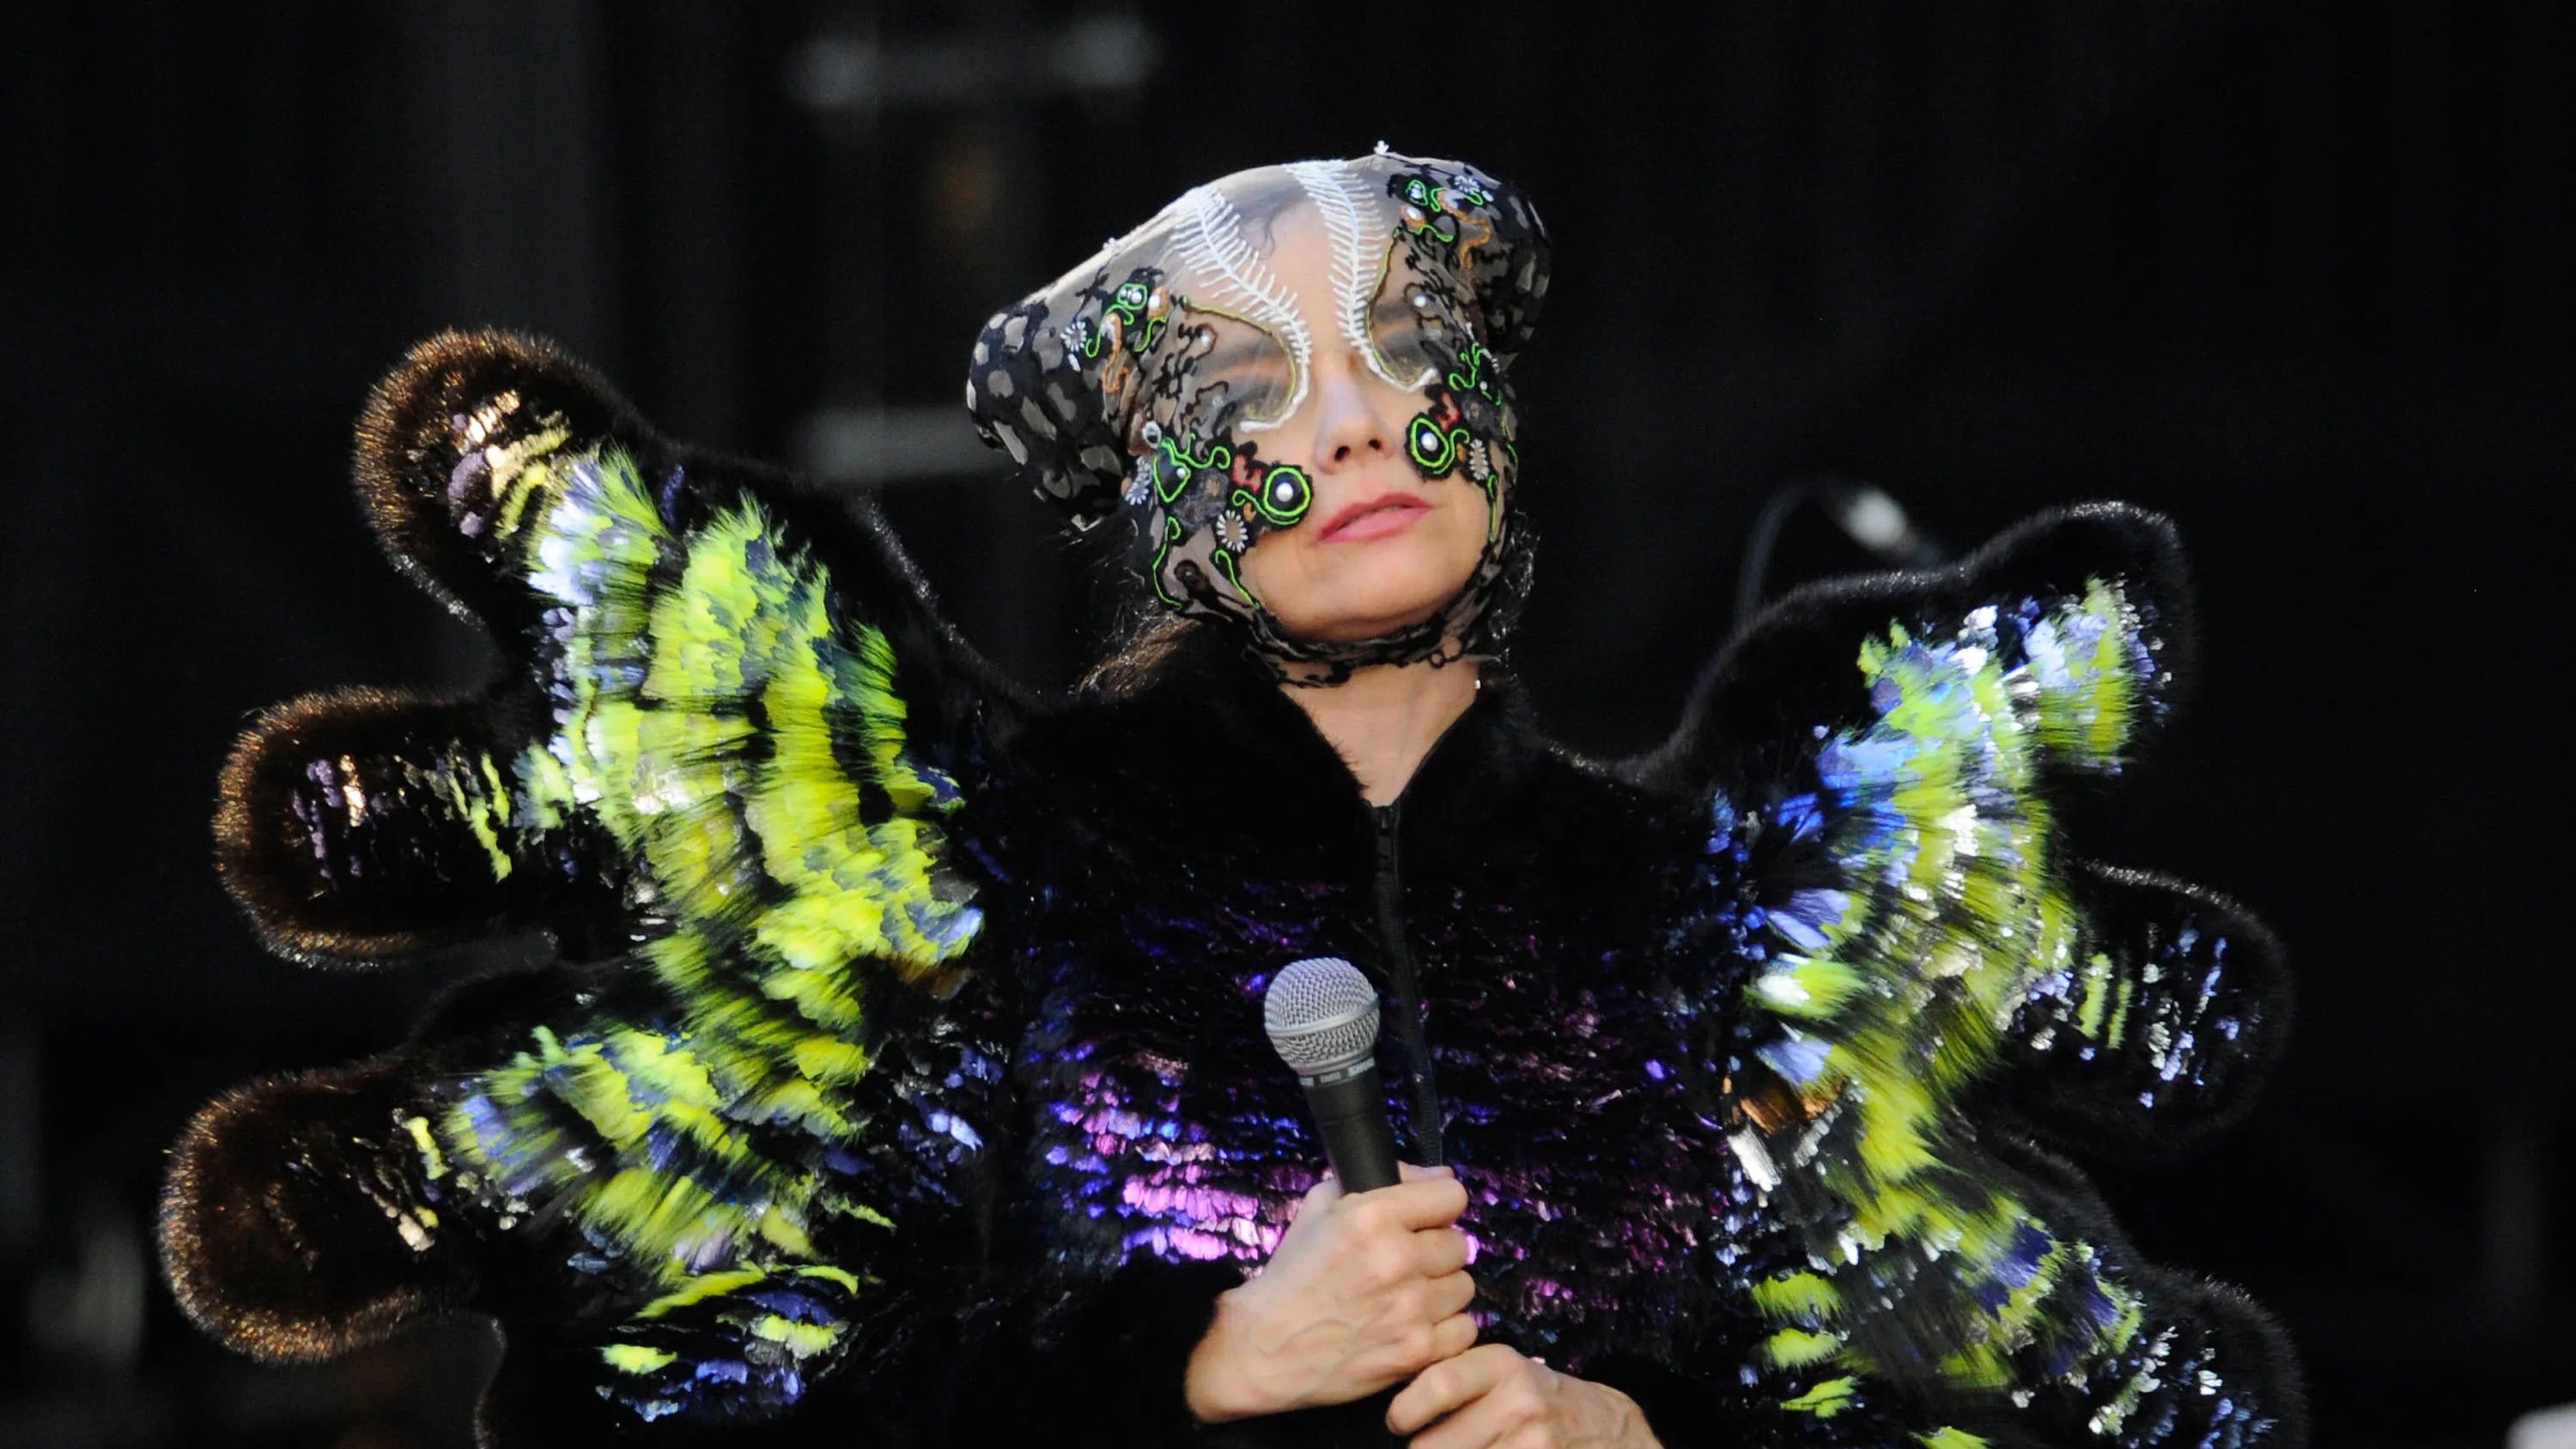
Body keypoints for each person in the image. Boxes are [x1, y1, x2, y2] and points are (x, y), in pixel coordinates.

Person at [158, 152, 2300, 1449]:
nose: (1350, 425)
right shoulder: (988, 884)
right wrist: (1189, 1368)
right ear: (1161, 496)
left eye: (1395, 348)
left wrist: (1644, 1423)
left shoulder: (1701, 922)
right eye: (1253, 391)